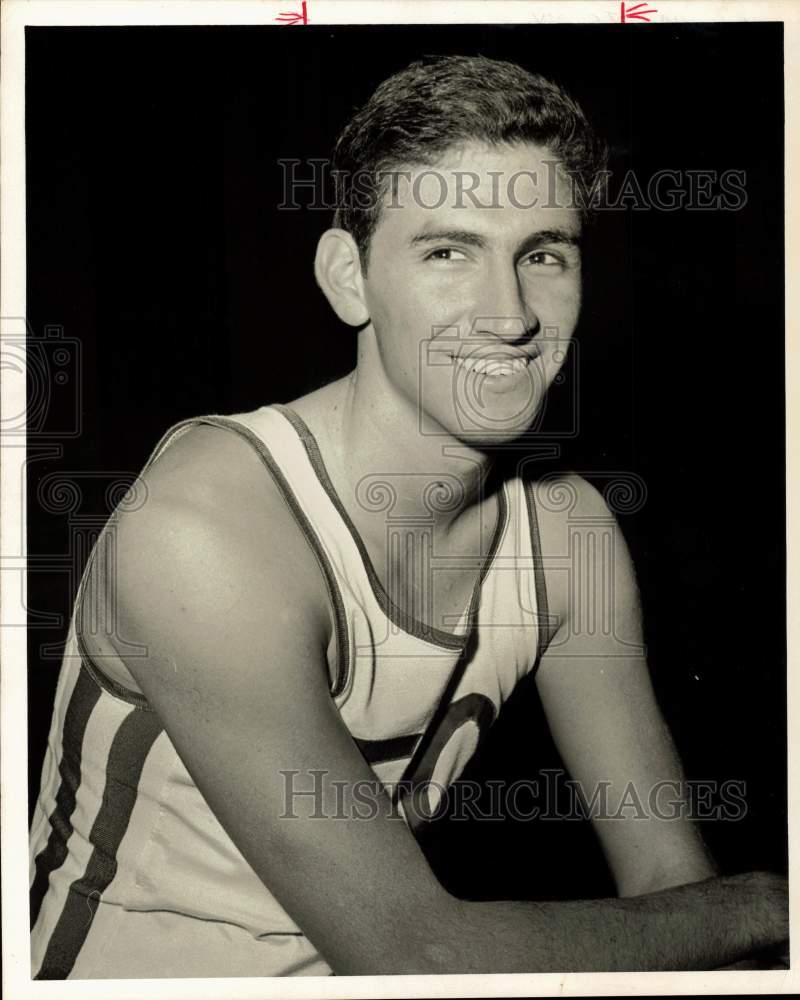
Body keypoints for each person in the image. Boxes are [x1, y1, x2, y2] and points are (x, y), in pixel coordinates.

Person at [29, 54, 788, 979]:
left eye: (542, 255)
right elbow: (417, 951)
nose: (508, 316)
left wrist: (736, 921)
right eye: (447, 252)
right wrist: (765, 904)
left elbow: (668, 877)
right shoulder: (205, 531)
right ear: (349, 279)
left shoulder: (567, 534)